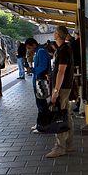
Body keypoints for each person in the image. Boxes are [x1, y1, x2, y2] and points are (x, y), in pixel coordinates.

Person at [47, 25, 75, 158]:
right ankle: (68, 144)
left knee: (59, 115)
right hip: (64, 86)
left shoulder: (63, 50)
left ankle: (60, 147)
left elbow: (61, 71)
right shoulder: (63, 49)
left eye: (54, 32)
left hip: (62, 87)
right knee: (66, 114)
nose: (53, 34)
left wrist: (56, 90)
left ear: (58, 35)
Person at [25, 37, 51, 132]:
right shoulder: (38, 51)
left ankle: (43, 125)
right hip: (37, 80)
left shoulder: (41, 51)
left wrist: (33, 70)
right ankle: (41, 123)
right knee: (40, 103)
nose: (29, 50)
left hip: (40, 81)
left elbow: (43, 66)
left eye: (29, 48)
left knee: (41, 104)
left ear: (34, 45)